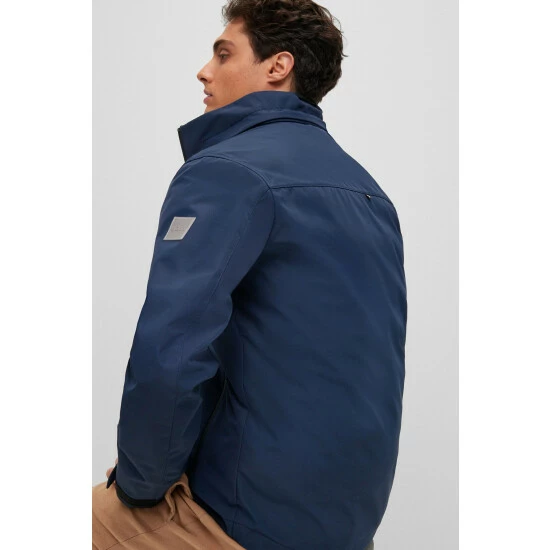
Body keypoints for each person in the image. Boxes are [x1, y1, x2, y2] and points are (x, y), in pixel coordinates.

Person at [92, 1, 407, 549]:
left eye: (223, 54)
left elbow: (171, 352)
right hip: (346, 525)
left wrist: (141, 487)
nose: (204, 71)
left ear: (278, 66)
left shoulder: (225, 171)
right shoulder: (370, 193)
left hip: (245, 519)